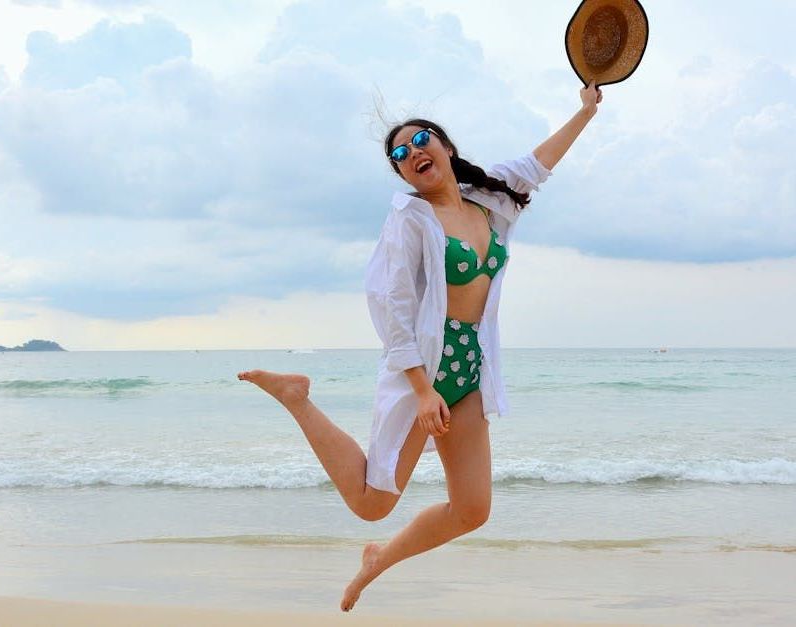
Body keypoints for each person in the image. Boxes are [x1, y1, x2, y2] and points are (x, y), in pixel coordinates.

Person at [238, 81, 603, 612]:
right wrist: (422, 388)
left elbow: (537, 164)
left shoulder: (490, 199)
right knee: (371, 502)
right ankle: (298, 398)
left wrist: (585, 112)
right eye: (400, 156)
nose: (411, 154)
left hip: (470, 371)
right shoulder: (411, 219)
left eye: (420, 141)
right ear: (404, 175)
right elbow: (392, 306)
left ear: (446, 148)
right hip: (425, 373)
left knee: (473, 509)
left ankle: (377, 560)